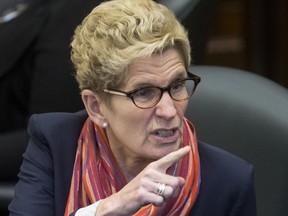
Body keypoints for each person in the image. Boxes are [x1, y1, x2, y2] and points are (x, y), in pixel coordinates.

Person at [9, 0, 257, 215]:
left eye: (178, 85)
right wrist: (110, 208)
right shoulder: (54, 144)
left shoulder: (229, 182)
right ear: (96, 107)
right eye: (144, 93)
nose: (170, 111)